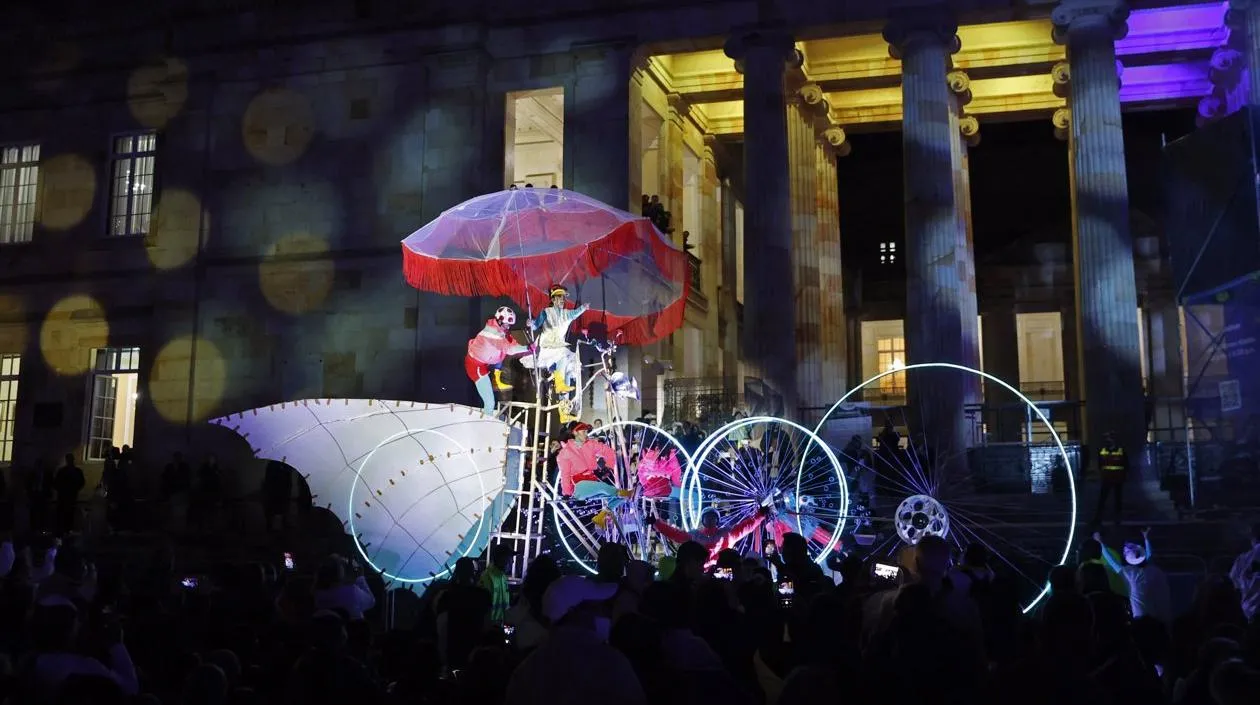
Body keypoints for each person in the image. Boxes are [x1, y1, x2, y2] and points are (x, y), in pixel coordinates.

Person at [506, 575, 644, 705]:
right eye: (597, 607)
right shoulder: (612, 664)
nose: (604, 613)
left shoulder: (528, 668)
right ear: (575, 613)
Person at [527, 284, 589, 421]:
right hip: (548, 347)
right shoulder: (546, 312)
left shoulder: (566, 314)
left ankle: (563, 412)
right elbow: (536, 324)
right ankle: (560, 383)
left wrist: (583, 308)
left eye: (563, 298)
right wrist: (531, 323)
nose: (562, 300)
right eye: (559, 297)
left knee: (567, 370)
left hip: (559, 347)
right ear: (553, 299)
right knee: (562, 356)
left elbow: (575, 313)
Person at [1095, 527, 1172, 624]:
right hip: (1156, 618)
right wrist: (1146, 539)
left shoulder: (1129, 573)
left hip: (1139, 619)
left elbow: (1111, 561)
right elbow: (1149, 558)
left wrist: (1100, 542)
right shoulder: (1150, 571)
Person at [555, 423, 624, 529]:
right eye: (583, 432)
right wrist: (567, 492)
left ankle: (601, 516)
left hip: (592, 480)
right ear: (575, 433)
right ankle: (623, 494)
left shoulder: (590, 444)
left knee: (620, 497)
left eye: (587, 432)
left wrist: (608, 466)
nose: (586, 434)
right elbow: (565, 474)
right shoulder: (565, 453)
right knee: (606, 489)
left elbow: (608, 451)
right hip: (578, 485)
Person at [465, 306, 529, 415]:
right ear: (499, 321)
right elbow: (509, 348)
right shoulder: (492, 334)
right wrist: (527, 348)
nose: (508, 327)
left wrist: (528, 350)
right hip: (475, 367)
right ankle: (486, 426)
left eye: (509, 325)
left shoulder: (501, 330)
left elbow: (512, 343)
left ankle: (496, 380)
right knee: (490, 402)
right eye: (506, 325)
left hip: (485, 362)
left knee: (501, 353)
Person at [649, 507, 768, 563]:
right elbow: (676, 534)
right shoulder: (695, 535)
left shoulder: (726, 533)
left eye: (712, 517)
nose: (710, 520)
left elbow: (746, 527)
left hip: (723, 571)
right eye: (707, 517)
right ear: (703, 520)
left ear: (717, 520)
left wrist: (760, 515)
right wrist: (656, 523)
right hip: (700, 572)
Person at [1093, 430, 1127, 525]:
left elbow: (1125, 464)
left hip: (1117, 478)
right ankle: (1099, 516)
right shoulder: (1102, 451)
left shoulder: (1120, 451)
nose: (1107, 441)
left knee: (1117, 498)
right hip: (1107, 478)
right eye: (1106, 439)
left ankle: (1117, 516)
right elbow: (1100, 464)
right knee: (1103, 498)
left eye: (1109, 439)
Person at [1228, 522, 1260, 620]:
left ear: (1253, 539)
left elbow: (1233, 585)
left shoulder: (1242, 561)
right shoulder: (1242, 560)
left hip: (1249, 614)